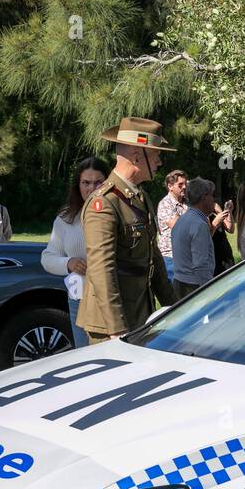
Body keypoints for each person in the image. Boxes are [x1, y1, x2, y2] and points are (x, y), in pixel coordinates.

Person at [78, 116, 176, 343]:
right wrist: (117, 329)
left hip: (140, 313)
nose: (160, 161)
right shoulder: (104, 204)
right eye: (156, 155)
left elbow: (154, 258)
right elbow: (102, 270)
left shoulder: (140, 197)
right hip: (111, 325)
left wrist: (173, 308)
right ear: (136, 156)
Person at [42, 157, 108, 348]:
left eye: (98, 182)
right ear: (77, 185)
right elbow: (47, 257)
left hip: (111, 299)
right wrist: (68, 263)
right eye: (86, 183)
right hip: (79, 298)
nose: (91, 188)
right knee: (85, 358)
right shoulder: (66, 217)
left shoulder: (117, 213)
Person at [170, 176, 218, 298]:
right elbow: (201, 265)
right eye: (212, 195)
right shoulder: (199, 224)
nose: (214, 200)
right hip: (193, 287)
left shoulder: (183, 219)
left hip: (180, 284)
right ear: (204, 198)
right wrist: (208, 293)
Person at [155, 170, 188, 280]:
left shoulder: (186, 204)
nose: (184, 187)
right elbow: (178, 226)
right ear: (170, 186)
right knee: (176, 294)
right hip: (171, 257)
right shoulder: (165, 203)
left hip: (185, 256)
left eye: (185, 184)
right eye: (180, 185)